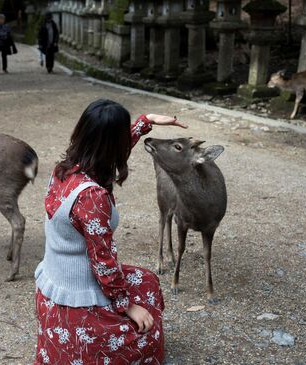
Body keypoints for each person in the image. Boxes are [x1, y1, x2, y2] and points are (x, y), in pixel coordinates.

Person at [34, 99, 188, 364]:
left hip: (55, 280)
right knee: (145, 332)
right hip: (79, 291)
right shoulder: (92, 197)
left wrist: (145, 122)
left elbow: (107, 148)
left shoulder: (65, 169)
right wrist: (128, 306)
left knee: (147, 280)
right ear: (112, 146)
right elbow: (103, 263)